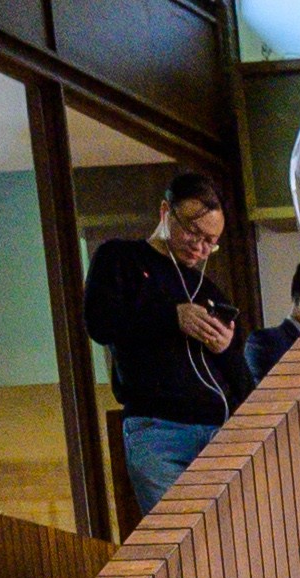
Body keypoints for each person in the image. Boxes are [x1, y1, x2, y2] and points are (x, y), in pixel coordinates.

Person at [85, 167, 258, 510]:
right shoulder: (120, 258)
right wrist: (172, 316)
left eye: (211, 242)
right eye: (193, 232)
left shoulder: (207, 289)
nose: (201, 248)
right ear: (166, 211)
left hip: (218, 427)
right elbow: (100, 324)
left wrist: (225, 348)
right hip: (158, 429)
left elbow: (242, 381)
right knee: (177, 532)